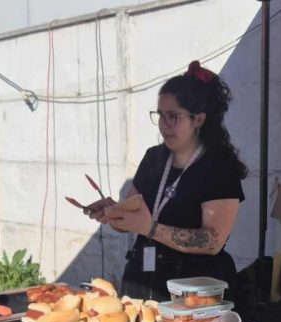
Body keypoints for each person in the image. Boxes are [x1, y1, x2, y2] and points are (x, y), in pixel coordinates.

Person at [87, 61, 247, 301]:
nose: (164, 124)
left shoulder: (218, 166)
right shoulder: (154, 158)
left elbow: (212, 240)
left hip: (194, 291)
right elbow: (133, 216)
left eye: (174, 116)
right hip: (142, 280)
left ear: (199, 119)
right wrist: (113, 214)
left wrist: (151, 228)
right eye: (160, 115)